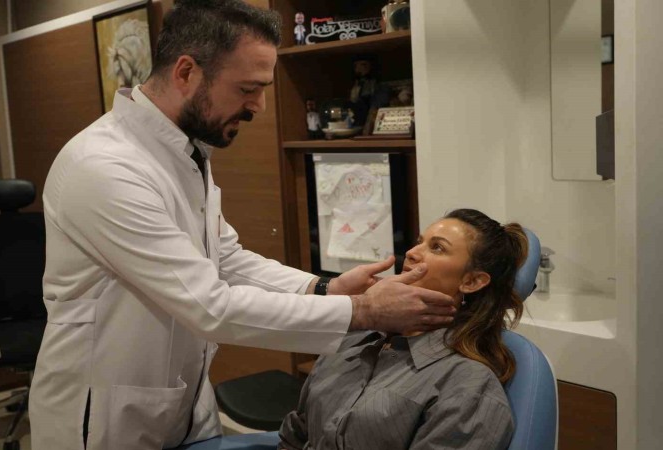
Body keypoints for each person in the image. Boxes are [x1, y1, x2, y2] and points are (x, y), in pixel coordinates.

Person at [28, 1, 456, 449]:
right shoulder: (105, 167)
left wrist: (323, 288)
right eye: (247, 89)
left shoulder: (184, 150)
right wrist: (362, 311)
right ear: (186, 72)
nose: (259, 106)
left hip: (179, 401)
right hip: (101, 419)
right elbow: (210, 306)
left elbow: (224, 258)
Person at [279, 209, 527, 450]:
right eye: (419, 242)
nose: (411, 253)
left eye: (437, 247)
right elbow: (295, 435)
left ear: (471, 281)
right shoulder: (353, 339)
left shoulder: (469, 386)